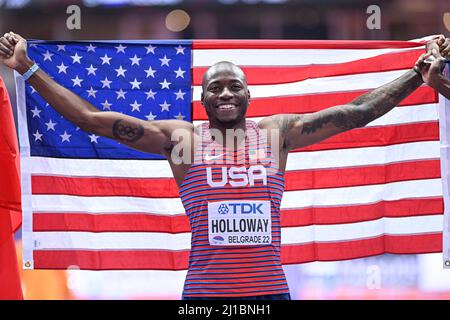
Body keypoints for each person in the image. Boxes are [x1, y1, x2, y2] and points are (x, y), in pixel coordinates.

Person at [1, 32, 449, 300]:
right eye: (215, 88)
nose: (226, 94)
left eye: (235, 86)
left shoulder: (277, 134)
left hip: (268, 292)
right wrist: (28, 69)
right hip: (205, 294)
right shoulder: (183, 140)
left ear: (249, 96)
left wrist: (418, 72)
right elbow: (90, 121)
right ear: (203, 100)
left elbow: (357, 111)